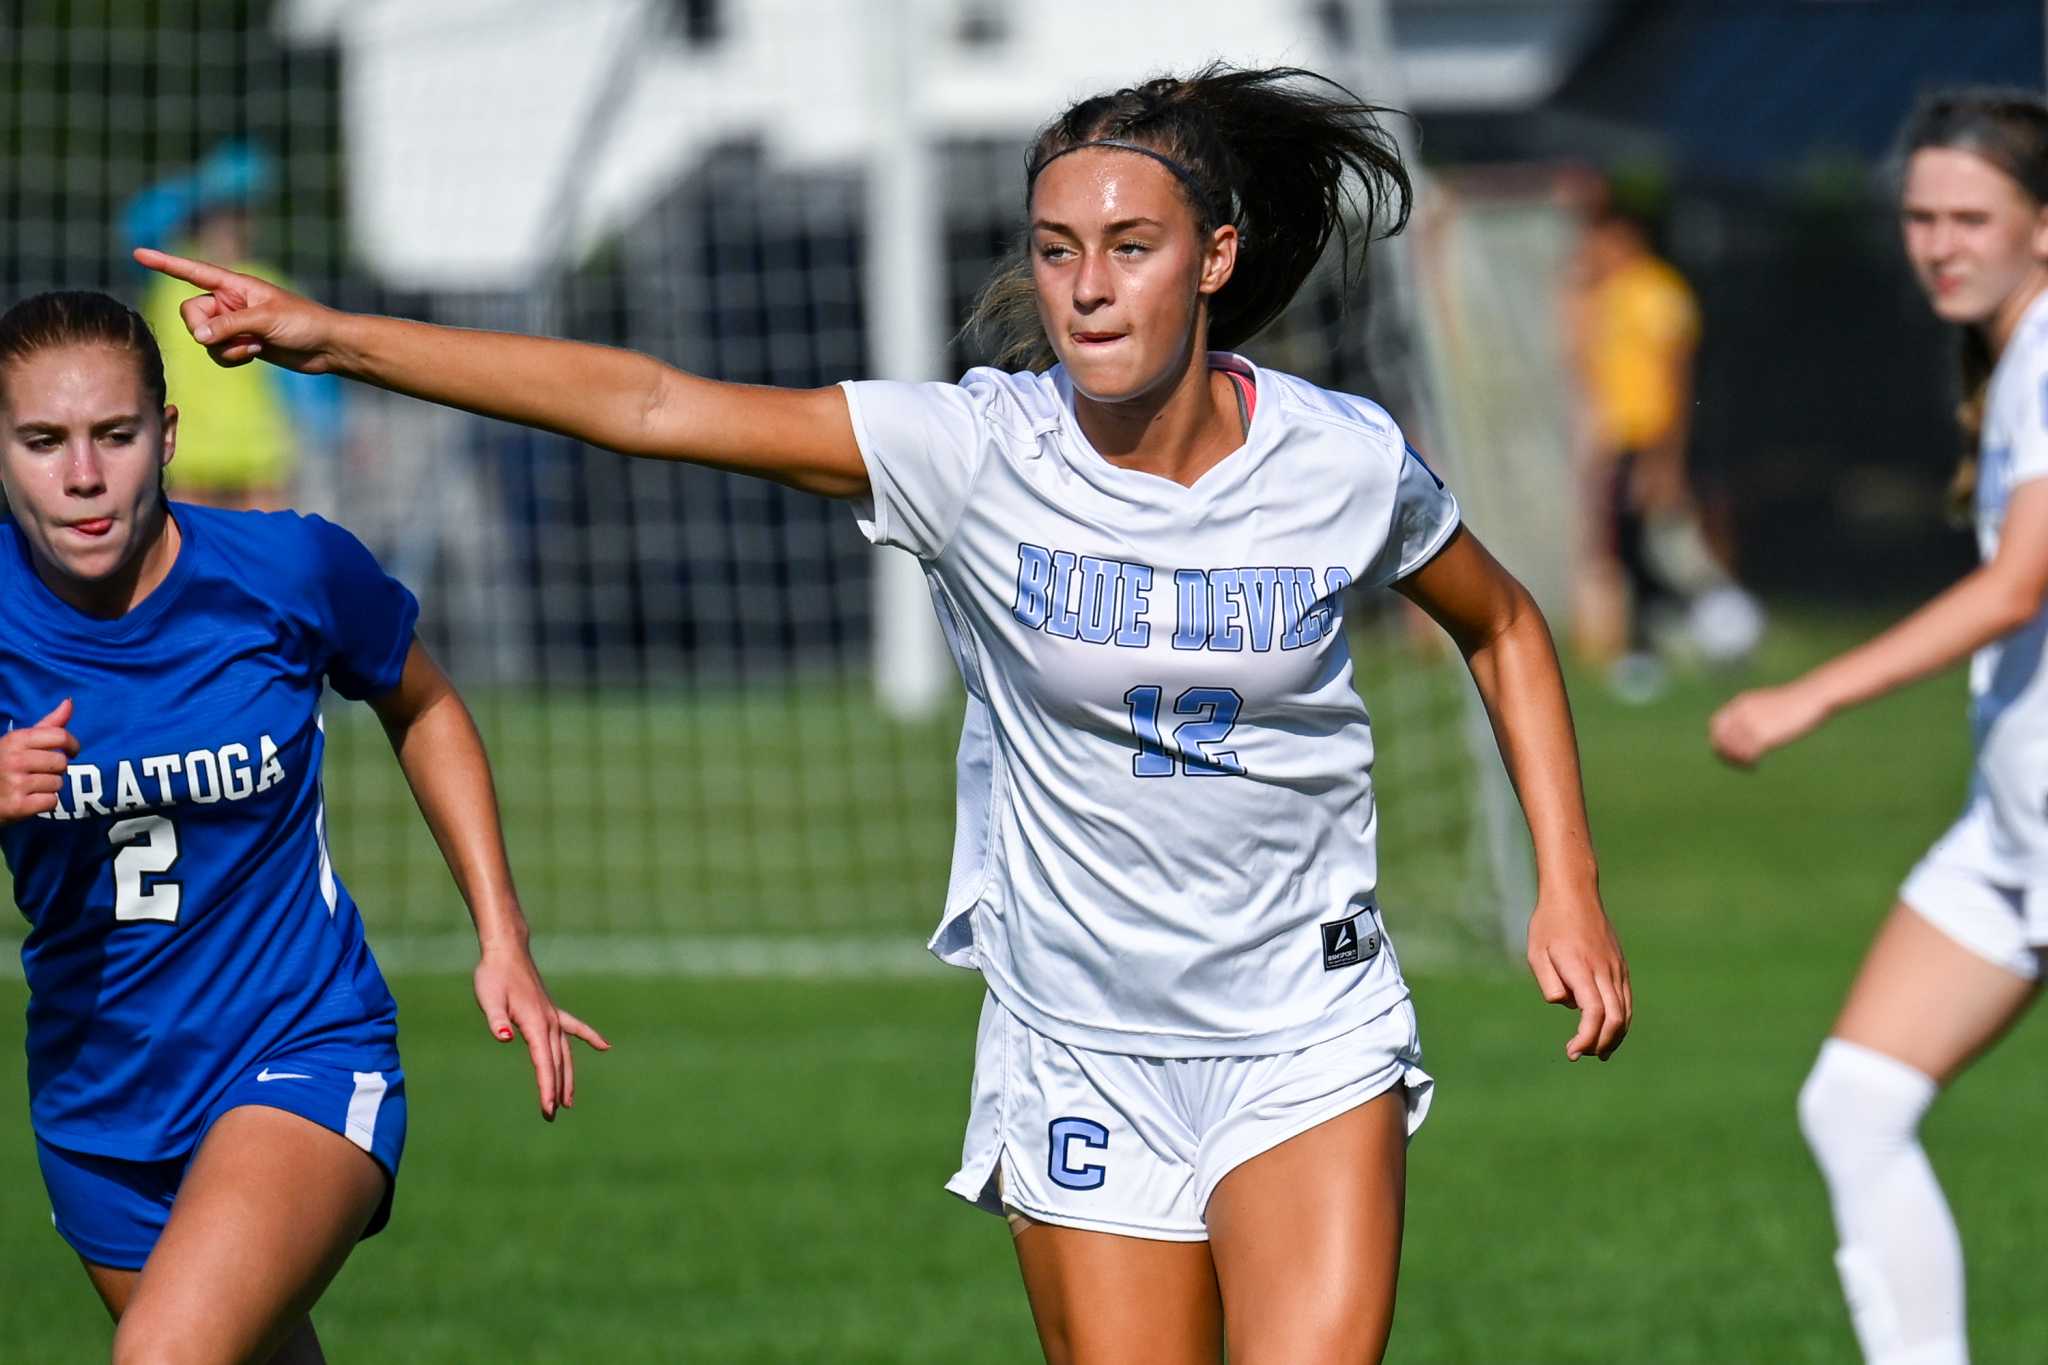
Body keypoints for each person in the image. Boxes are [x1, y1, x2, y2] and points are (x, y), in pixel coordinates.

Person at [141, 64, 1629, 1365]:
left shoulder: (1338, 459)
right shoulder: (971, 450)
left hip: (1308, 1025)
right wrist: (337, 338)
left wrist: (1566, 885)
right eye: (1056, 252)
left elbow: (1501, 627)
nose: (1088, 286)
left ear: (1216, 258)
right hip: (1084, 1041)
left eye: (1129, 247)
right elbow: (653, 402)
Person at [0, 290, 608, 1365]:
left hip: (298, 1051)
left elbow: (422, 705)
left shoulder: (285, 571)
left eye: (116, 436)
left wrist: (502, 936)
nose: (83, 476)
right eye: (44, 441)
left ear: (168, 435)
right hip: (97, 1102)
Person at [1710, 90, 2048, 1365]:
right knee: (1853, 1102)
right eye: (1918, 217)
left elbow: (2017, 583)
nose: (1938, 244)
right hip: (2008, 829)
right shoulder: (2012, 357)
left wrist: (1810, 692)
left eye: (1971, 217)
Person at [1566, 193, 1759, 699]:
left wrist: (1665, 460)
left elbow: (1676, 375)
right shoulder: (1610, 294)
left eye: (1603, 239)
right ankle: (1650, 648)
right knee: (1629, 547)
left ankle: (1722, 618)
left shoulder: (1657, 291)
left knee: (1666, 544)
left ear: (1628, 237)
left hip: (1658, 439)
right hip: (1624, 440)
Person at [124, 141, 339, 511]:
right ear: (199, 220)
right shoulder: (168, 280)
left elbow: (308, 373)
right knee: (190, 556)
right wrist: (203, 186)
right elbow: (138, 222)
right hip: (188, 452)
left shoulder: (269, 282)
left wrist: (330, 424)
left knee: (266, 558)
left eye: (239, 218)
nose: (229, 229)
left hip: (259, 450)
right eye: (219, 217)